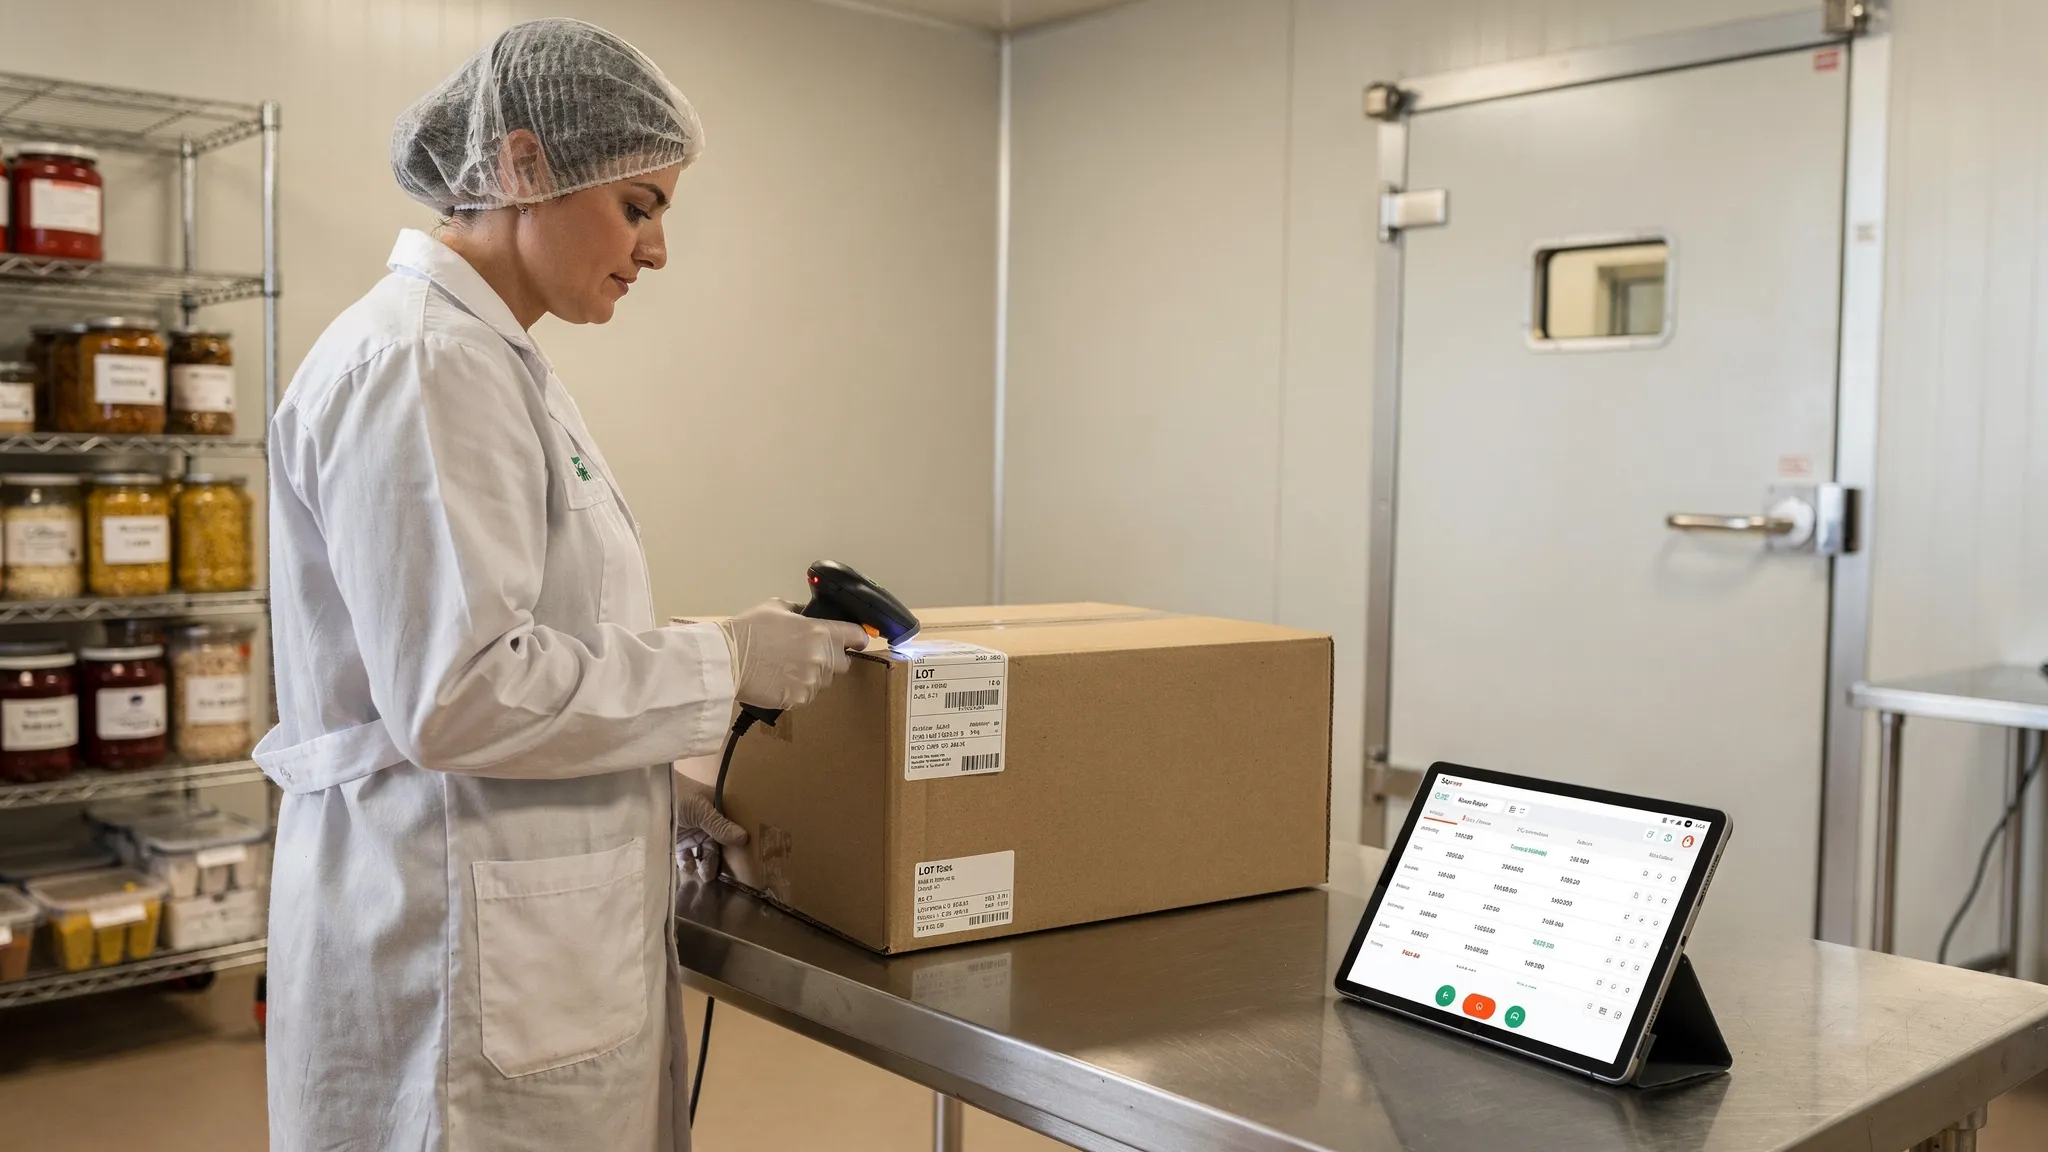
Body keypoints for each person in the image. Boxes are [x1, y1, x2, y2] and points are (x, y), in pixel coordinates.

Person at [254, 19, 865, 1151]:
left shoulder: (493, 360)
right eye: (639, 205)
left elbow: (520, 648)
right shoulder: (425, 364)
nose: (657, 249)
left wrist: (657, 787)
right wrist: (725, 662)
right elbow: (460, 694)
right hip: (454, 953)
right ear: (523, 166)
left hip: (517, 929)